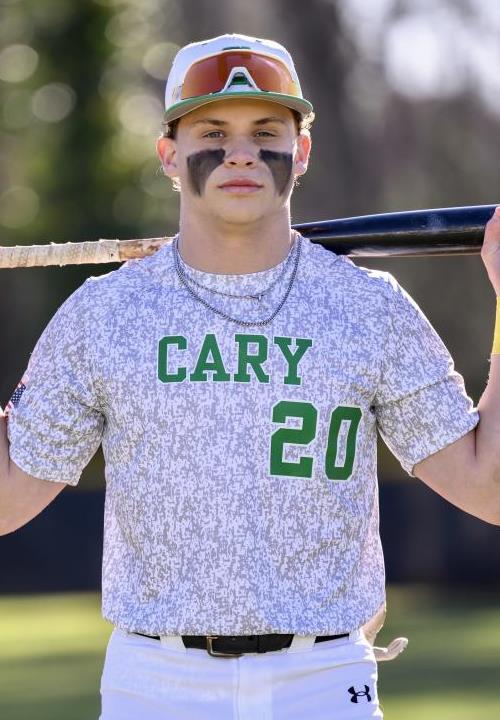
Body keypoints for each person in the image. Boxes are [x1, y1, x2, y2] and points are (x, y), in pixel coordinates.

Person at [1, 32, 500, 720]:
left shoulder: (368, 307)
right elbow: (7, 501)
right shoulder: (105, 314)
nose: (241, 152)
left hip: (325, 677)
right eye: (213, 132)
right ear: (169, 154)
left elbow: (488, 487)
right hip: (155, 682)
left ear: (301, 151)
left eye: (266, 131)